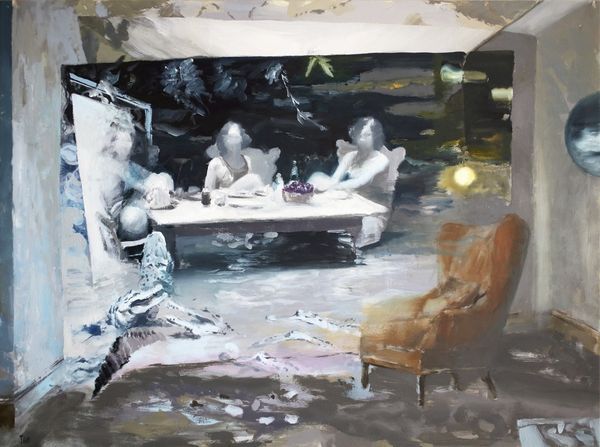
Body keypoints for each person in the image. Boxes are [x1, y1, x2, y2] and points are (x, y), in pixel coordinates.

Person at [308, 117, 390, 204]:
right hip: (352, 196)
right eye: (360, 135)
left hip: (373, 201)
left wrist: (331, 188)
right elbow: (335, 179)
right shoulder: (350, 156)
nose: (362, 139)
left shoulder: (381, 160)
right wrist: (321, 185)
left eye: (367, 135)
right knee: (317, 176)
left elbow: (360, 182)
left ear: (375, 137)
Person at [204, 122, 265, 193]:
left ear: (241, 139)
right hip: (224, 198)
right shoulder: (216, 163)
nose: (234, 142)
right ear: (225, 141)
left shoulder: (247, 160)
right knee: (254, 179)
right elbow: (207, 191)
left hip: (244, 199)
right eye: (231, 138)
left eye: (236, 137)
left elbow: (251, 189)